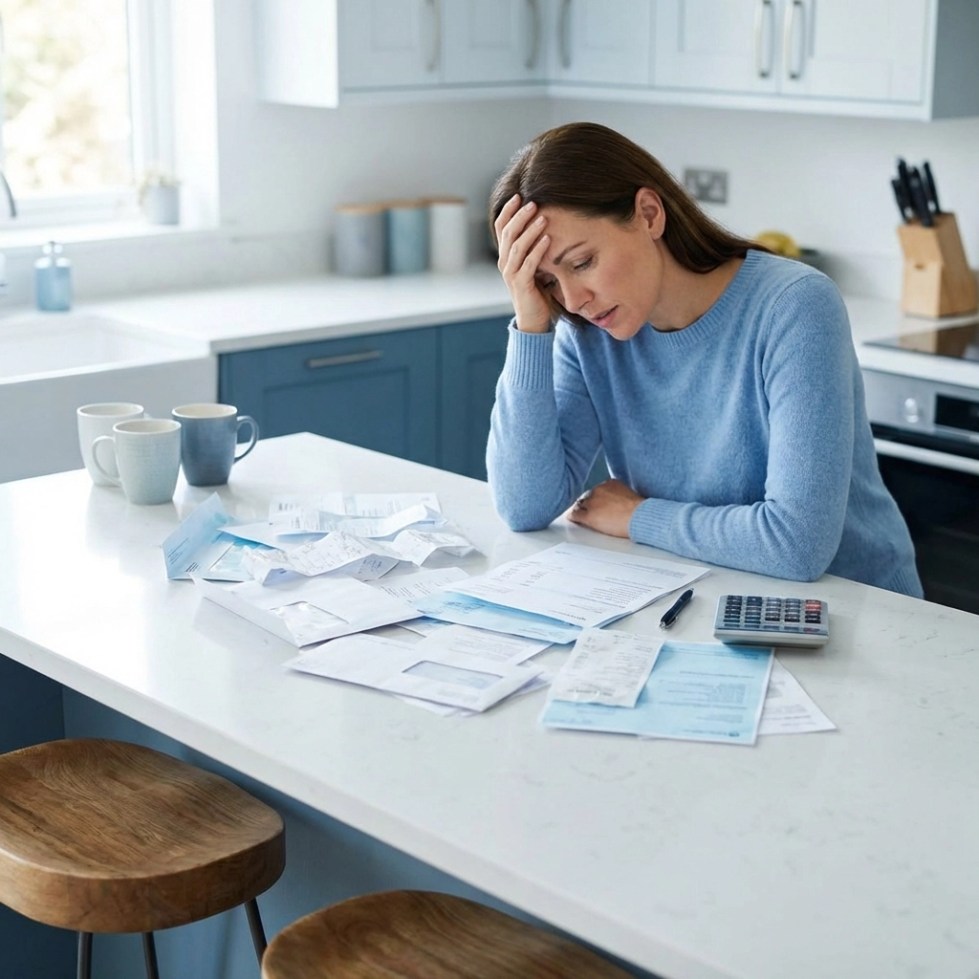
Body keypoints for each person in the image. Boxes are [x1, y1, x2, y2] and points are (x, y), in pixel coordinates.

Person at [486, 121, 923, 597]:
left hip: (856, 613)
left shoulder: (794, 306)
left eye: (582, 262)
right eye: (548, 282)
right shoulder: (590, 329)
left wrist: (638, 517)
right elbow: (524, 506)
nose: (572, 300)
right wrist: (531, 323)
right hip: (708, 592)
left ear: (649, 214)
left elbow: (797, 545)